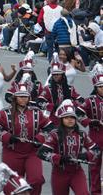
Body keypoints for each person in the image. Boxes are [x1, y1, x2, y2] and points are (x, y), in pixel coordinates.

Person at [0, 78, 52, 195]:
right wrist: (8, 137)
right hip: (12, 152)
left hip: (32, 152)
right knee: (12, 184)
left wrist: (40, 138)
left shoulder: (36, 112)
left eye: (25, 96)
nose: (23, 99)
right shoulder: (5, 113)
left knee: (36, 180)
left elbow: (50, 128)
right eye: (20, 96)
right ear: (15, 98)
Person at [38, 100, 100, 195]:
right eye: (66, 117)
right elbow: (41, 153)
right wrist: (60, 158)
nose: (70, 120)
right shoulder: (55, 135)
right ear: (61, 119)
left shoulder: (81, 134)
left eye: (72, 117)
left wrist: (86, 155)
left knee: (83, 193)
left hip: (77, 172)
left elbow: (96, 149)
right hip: (59, 174)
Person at [80, 66, 103, 195]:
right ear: (96, 87)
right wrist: (90, 121)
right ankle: (95, 192)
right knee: (94, 166)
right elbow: (78, 114)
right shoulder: (90, 100)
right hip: (96, 136)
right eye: (100, 86)